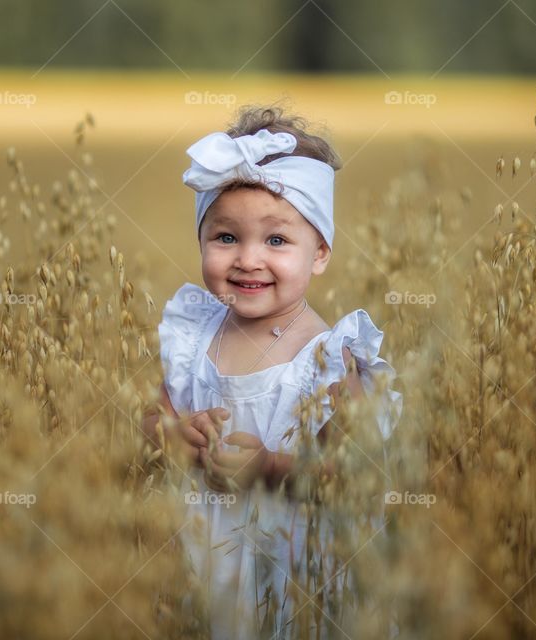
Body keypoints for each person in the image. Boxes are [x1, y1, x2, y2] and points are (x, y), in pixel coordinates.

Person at [140, 105, 403, 639]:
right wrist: (171, 435)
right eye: (226, 238)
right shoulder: (193, 336)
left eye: (277, 241)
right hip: (204, 567)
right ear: (201, 242)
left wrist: (267, 468)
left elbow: (351, 475)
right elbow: (151, 415)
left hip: (294, 580)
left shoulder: (332, 357)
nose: (248, 260)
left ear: (320, 252)